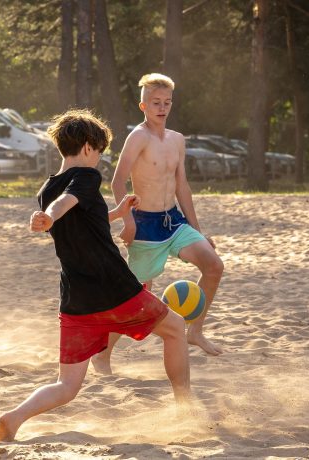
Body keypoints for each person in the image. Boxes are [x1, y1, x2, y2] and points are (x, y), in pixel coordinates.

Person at [0, 109, 191, 442]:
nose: (99, 159)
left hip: (76, 300)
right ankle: (186, 407)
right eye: (99, 151)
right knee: (175, 329)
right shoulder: (85, 178)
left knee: (66, 386)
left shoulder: (46, 188)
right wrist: (49, 217)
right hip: (114, 289)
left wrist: (116, 212)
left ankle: (12, 419)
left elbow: (81, 219)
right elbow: (67, 205)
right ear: (87, 147)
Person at [95, 72, 224, 375]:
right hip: (145, 225)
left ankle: (194, 331)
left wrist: (198, 230)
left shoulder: (177, 139)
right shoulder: (138, 137)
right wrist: (127, 222)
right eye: (155, 102)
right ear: (143, 106)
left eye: (167, 102)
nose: (162, 107)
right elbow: (117, 182)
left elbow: (182, 187)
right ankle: (102, 354)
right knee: (133, 295)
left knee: (214, 266)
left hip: (174, 222)